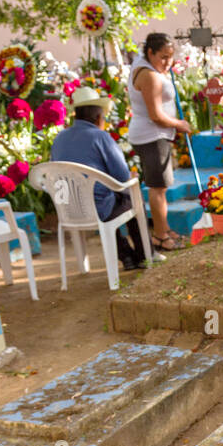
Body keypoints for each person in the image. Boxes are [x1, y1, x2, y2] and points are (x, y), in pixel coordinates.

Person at [51, 85, 148, 271]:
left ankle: (127, 256)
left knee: (109, 198)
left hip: (68, 209)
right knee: (131, 196)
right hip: (99, 209)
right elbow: (121, 177)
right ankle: (145, 256)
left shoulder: (59, 138)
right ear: (98, 118)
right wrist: (131, 176)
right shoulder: (100, 136)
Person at [128, 32, 192, 252]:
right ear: (150, 53)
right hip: (152, 135)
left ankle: (164, 229)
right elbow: (155, 115)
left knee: (161, 188)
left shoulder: (149, 68)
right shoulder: (150, 76)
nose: (168, 62)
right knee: (157, 188)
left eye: (170, 56)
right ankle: (160, 236)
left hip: (154, 135)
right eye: (163, 57)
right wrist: (179, 124)